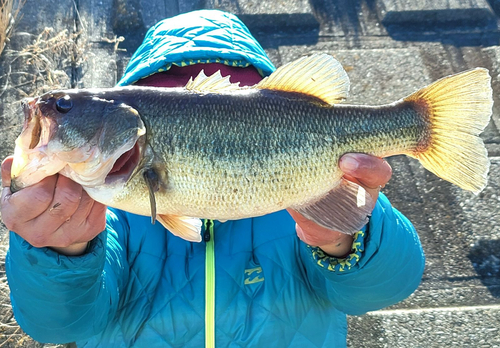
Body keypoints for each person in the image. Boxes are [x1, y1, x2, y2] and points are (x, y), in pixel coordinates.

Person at [1, 10, 425, 347]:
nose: (47, 110)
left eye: (63, 107)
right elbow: (56, 324)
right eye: (61, 105)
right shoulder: (103, 210)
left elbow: (384, 288)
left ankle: (421, 125)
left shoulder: (314, 190)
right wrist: (65, 251)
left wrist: (345, 239)